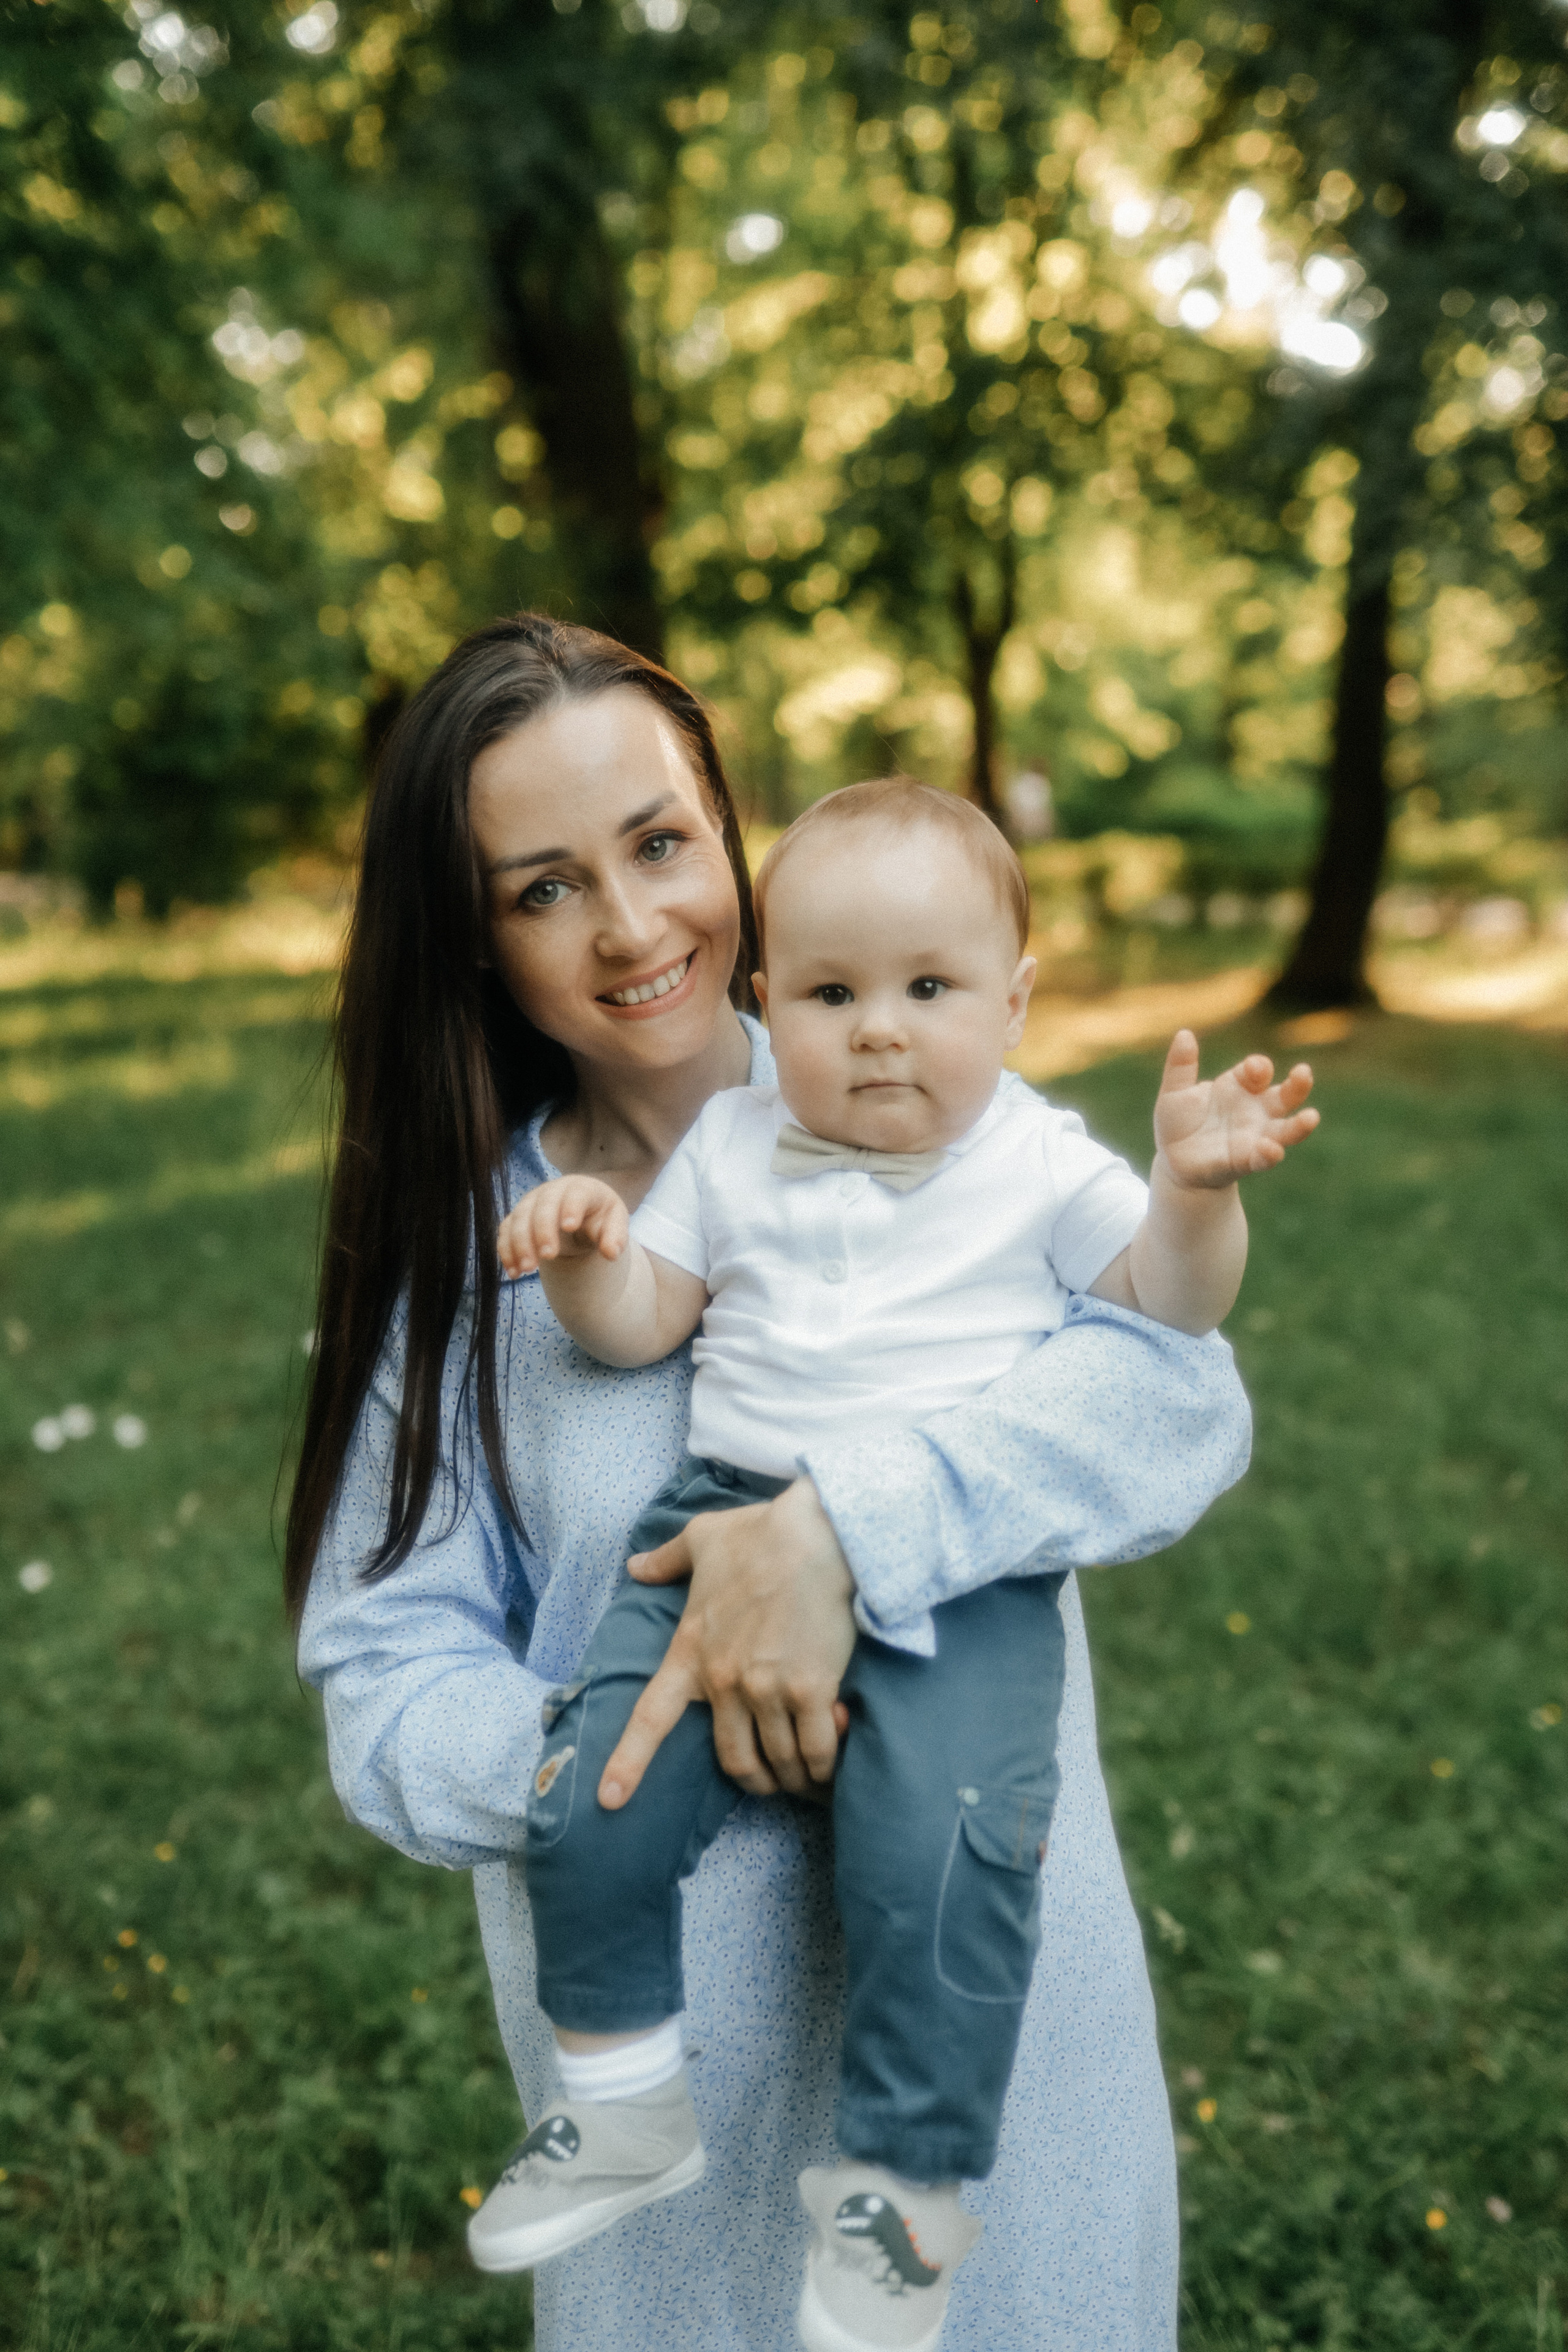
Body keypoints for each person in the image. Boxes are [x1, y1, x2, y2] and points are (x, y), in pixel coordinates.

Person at [289, 612, 1256, 2352]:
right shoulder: (482, 1264)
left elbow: (1175, 1398)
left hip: (1006, 2082)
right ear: (475, 940)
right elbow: (381, 1669)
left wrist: (845, 1534)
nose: (631, 924)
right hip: (676, 2161)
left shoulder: (941, 1106)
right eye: (543, 888)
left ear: (725, 840)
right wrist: (637, 1729)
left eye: (659, 843)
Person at [477, 778, 1317, 2351]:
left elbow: (1165, 1310)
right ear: (766, 1000)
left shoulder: (1035, 1157)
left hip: (956, 1573)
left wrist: (1192, 1198)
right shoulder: (733, 1142)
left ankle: (902, 2197)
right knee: (592, 1790)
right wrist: (591, 1254)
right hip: (720, 1515)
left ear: (1014, 1003)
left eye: (928, 989)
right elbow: (645, 1323)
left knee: (949, 1865)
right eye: (829, 994)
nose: (876, 1031)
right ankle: (618, 2092)